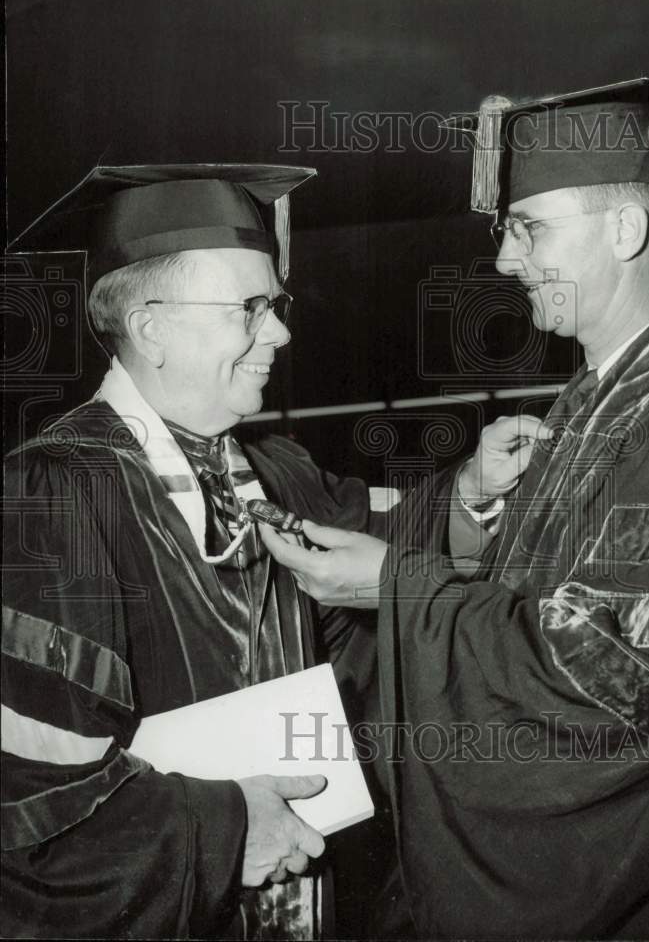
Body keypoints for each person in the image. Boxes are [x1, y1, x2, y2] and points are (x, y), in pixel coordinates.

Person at [260, 80, 649, 938]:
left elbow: (610, 685)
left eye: (530, 227)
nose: (504, 261)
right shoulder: (589, 403)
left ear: (626, 229)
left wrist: (397, 584)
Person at [1, 165, 379, 939]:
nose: (280, 332)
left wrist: (477, 490)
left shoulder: (274, 470)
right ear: (152, 331)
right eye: (251, 308)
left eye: (274, 306)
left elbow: (380, 562)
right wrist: (231, 827)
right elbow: (34, 804)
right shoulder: (54, 495)